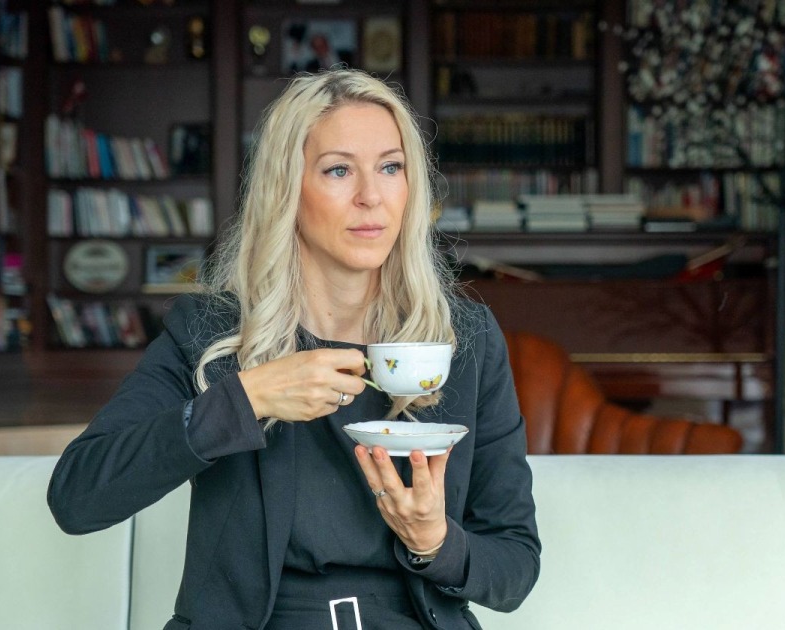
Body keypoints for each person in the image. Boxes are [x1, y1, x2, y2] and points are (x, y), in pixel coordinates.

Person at [47, 69, 540, 630]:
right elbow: (77, 498)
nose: (371, 196)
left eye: (390, 167)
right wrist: (245, 399)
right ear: (286, 190)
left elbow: (516, 566)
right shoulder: (213, 334)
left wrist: (437, 542)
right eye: (338, 170)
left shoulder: (463, 339)